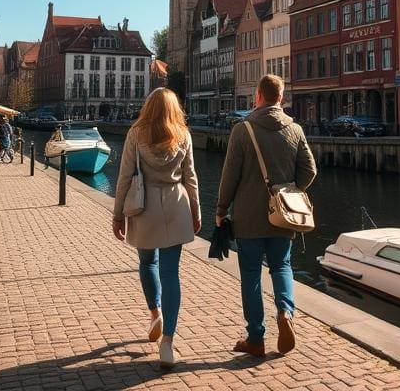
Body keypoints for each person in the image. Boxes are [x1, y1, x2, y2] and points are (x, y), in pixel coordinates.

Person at [215, 74, 317, 358]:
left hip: (248, 218)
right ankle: (285, 311)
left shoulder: (242, 129)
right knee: (282, 266)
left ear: (257, 96)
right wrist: (290, 191)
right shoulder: (295, 129)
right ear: (281, 98)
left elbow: (229, 176)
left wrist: (221, 209)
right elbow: (310, 171)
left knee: (251, 275)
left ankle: (256, 338)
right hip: (283, 215)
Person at [112, 88, 201, 370]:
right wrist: (196, 212)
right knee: (171, 273)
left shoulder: (136, 134)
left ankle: (155, 312)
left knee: (147, 262)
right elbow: (191, 177)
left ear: (148, 107)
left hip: (144, 205)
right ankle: (168, 342)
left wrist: (117, 215)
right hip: (176, 204)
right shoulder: (182, 134)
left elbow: (125, 175)